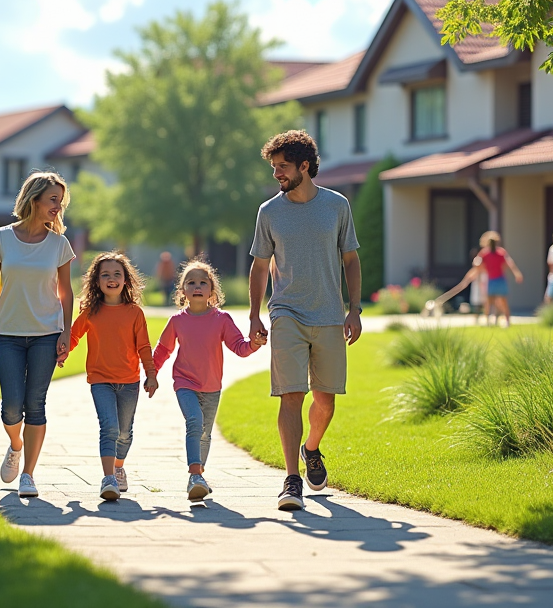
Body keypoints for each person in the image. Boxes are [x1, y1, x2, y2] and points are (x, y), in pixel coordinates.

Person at [248, 130, 362, 511]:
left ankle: (311, 448)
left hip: (329, 313)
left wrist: (355, 309)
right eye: (274, 167)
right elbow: (260, 265)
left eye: (282, 167)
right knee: (291, 395)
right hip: (287, 313)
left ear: (305, 166)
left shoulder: (337, 205)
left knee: (325, 401)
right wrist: (253, 315)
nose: (277, 174)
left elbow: (351, 259)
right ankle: (291, 479)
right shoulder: (269, 212)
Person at [0, 171, 76, 500]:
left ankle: (28, 474)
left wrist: (67, 331)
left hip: (47, 333)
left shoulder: (60, 244)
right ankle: (15, 444)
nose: (58, 207)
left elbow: (67, 292)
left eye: (61, 201)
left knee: (36, 405)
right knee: (11, 408)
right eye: (53, 200)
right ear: (34, 200)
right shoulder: (1, 238)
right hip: (8, 333)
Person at [153, 259, 264, 500]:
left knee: (205, 433)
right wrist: (152, 374)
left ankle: (199, 475)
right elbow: (162, 350)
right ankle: (194, 475)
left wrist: (254, 344)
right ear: (183, 291)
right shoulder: (177, 322)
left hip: (212, 387)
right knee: (194, 421)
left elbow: (240, 347)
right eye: (191, 282)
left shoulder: (221, 319)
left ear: (212, 291)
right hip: (185, 383)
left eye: (203, 282)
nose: (197, 286)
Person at [70, 252, 158, 501]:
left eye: (117, 274)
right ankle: (108, 478)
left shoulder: (135, 313)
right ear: (96, 281)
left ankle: (119, 467)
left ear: (126, 281)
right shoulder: (90, 312)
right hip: (100, 380)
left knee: (125, 432)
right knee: (108, 427)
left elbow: (144, 347)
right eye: (105, 274)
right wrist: (62, 352)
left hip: (129, 381)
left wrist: (151, 374)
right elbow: (74, 336)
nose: (111, 279)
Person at [475, 231, 523, 327]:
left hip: (492, 280)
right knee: (503, 302)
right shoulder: (500, 252)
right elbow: (510, 263)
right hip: (500, 279)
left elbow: (476, 263)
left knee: (489, 302)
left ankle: (488, 321)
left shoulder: (485, 253)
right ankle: (507, 321)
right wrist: (517, 274)